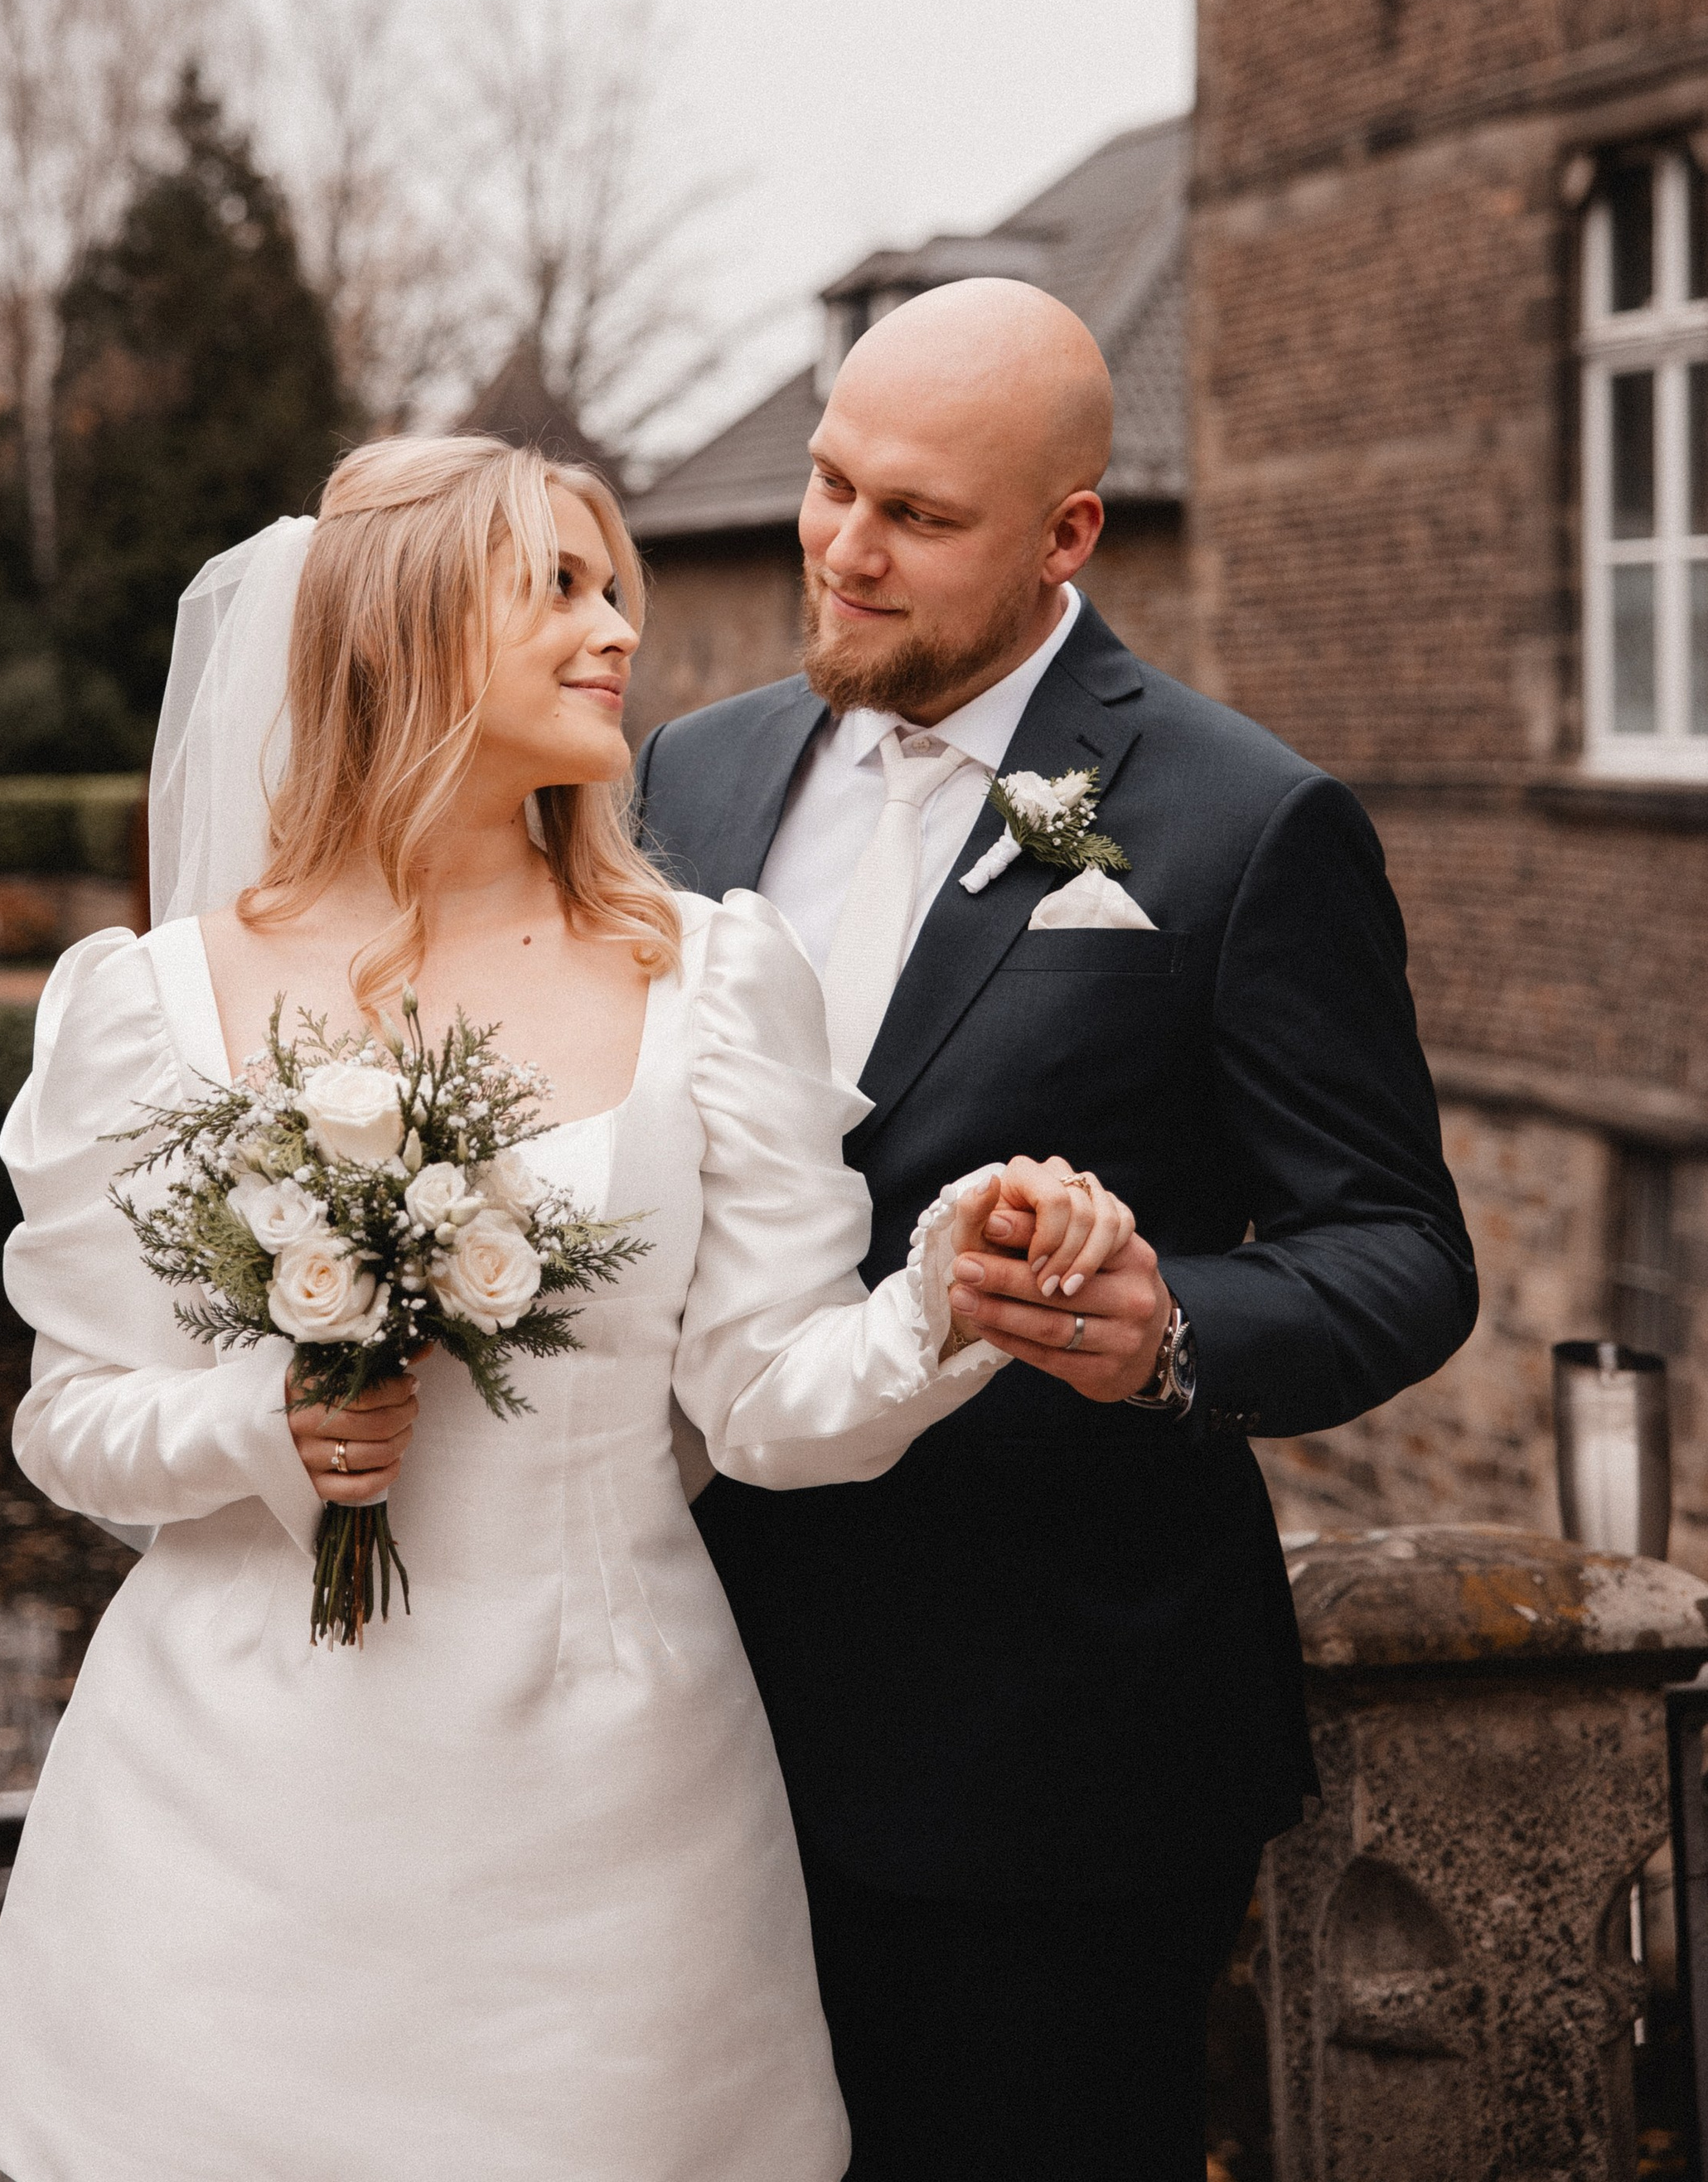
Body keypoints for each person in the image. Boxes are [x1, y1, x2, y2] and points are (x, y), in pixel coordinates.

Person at [0, 433, 1138, 2182]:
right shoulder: (143, 1004)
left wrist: (938, 1299)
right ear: (408, 632)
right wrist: (260, 1422)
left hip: (607, 1841)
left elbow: (765, 1410)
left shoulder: (709, 979)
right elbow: (75, 1427)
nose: (613, 638)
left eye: (614, 593)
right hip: (229, 1846)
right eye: (559, 591)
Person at [634, 278, 1480, 2182]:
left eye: (915, 518)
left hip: (1052, 1767)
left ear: (1065, 534)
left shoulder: (1245, 826)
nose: (842, 552)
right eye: (827, 484)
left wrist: (1167, 1326)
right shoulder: (687, 774)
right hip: (698, 1730)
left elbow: (1401, 1251)